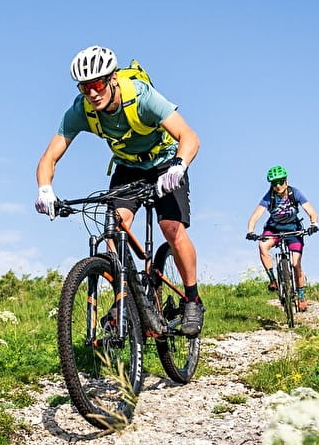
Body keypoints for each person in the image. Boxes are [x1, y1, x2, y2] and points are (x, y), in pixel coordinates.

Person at [34, 45, 204, 335]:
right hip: (128, 167)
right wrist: (45, 189)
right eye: (85, 87)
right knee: (114, 231)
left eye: (98, 84)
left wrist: (179, 165)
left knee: (171, 227)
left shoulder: (142, 96)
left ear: (112, 78)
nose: (92, 93)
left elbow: (189, 137)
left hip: (166, 163)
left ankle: (192, 299)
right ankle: (125, 299)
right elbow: (49, 156)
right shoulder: (82, 110)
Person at [244, 165, 319, 310]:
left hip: (294, 230)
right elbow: (255, 216)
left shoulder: (295, 193)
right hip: (273, 230)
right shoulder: (269, 197)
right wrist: (250, 231)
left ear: (286, 180)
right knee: (262, 246)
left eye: (280, 182)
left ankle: (301, 297)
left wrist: (313, 224)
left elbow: (311, 211)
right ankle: (273, 280)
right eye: (274, 183)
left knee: (295, 264)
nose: (278, 186)